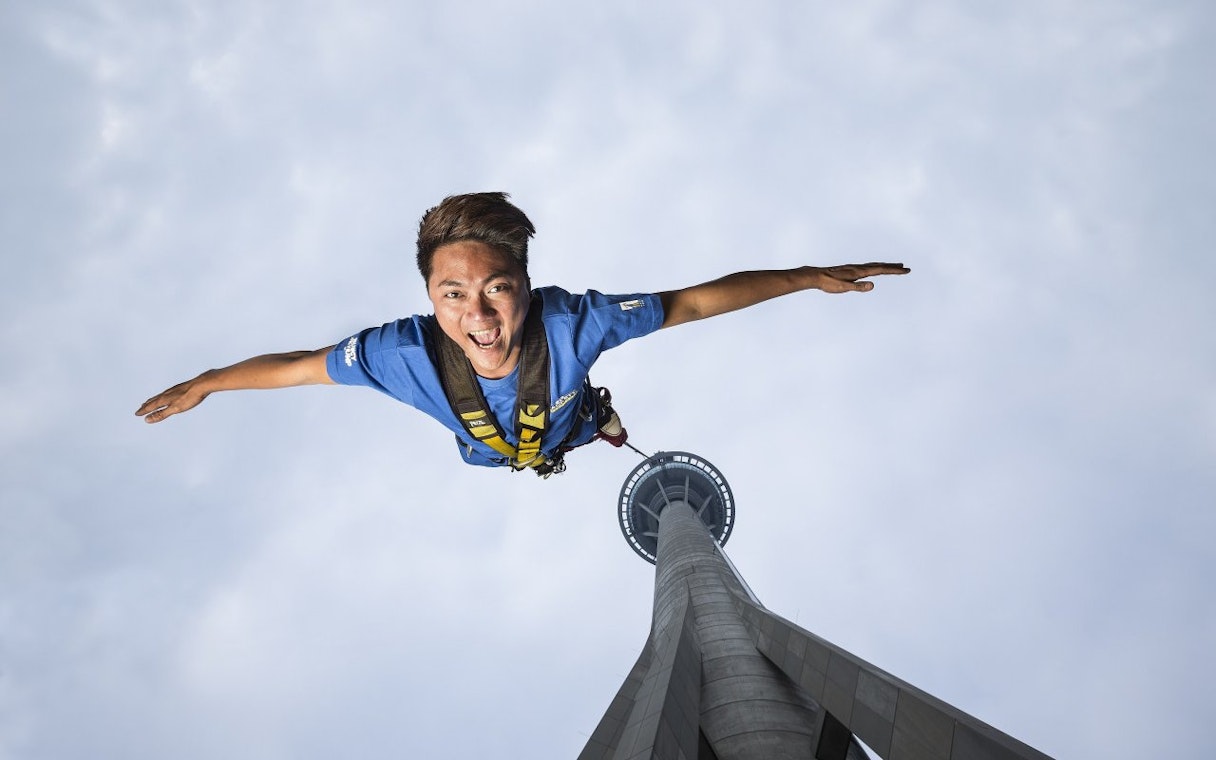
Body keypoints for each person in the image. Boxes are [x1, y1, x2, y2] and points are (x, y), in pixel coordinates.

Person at [137, 192, 908, 475]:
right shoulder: (400, 353)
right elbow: (300, 366)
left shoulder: (575, 323)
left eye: (497, 288)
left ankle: (598, 420)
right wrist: (208, 383)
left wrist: (806, 276)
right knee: (525, 447)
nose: (478, 316)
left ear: (527, 287)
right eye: (453, 295)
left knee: (589, 426)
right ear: (429, 297)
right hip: (490, 449)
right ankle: (581, 428)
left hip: (565, 423)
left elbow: (695, 303)